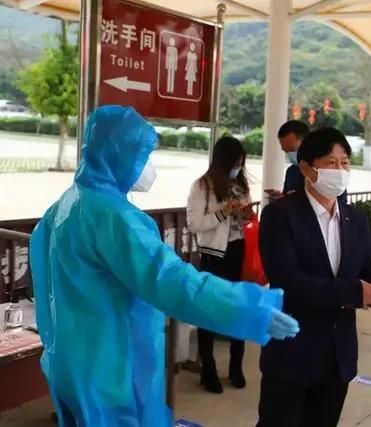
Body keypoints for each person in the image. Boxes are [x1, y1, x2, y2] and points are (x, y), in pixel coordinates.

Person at [28, 105, 299, 427]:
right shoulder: (117, 219)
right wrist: (249, 308)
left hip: (70, 362)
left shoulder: (64, 206)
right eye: (143, 156)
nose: (148, 167)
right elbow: (171, 280)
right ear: (119, 154)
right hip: (112, 369)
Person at [256, 127, 371, 427]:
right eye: (331, 163)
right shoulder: (280, 215)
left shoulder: (355, 220)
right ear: (306, 168)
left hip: (337, 358)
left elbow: (367, 275)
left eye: (345, 162)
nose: (340, 170)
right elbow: (288, 280)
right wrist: (351, 292)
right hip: (292, 354)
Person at [187, 135, 254, 394]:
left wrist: (246, 214)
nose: (238, 168)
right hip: (214, 255)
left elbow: (246, 219)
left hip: (239, 252)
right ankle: (209, 369)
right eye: (235, 163)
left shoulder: (240, 184)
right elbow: (194, 224)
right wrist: (223, 212)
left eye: (241, 163)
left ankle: (236, 367)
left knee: (239, 311)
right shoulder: (202, 186)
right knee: (209, 313)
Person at [266, 120, 347, 203]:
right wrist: (281, 200)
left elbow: (340, 204)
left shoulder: (327, 172)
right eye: (286, 151)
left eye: (293, 150)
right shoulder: (291, 172)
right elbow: (288, 199)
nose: (290, 155)